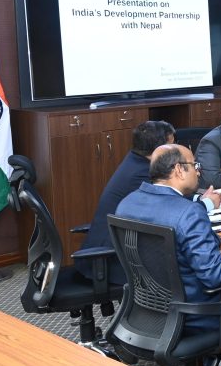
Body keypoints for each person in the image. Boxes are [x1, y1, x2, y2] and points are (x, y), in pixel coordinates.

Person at [115, 144, 221, 332]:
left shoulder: (127, 203)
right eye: (195, 166)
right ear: (179, 170)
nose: (198, 172)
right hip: (195, 315)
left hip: (146, 309)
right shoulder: (189, 213)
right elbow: (216, 277)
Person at [75, 120, 185, 284]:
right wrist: (205, 203)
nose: (176, 150)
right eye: (172, 145)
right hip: (114, 261)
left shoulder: (135, 161)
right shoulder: (143, 173)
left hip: (116, 247)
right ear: (159, 150)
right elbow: (171, 208)